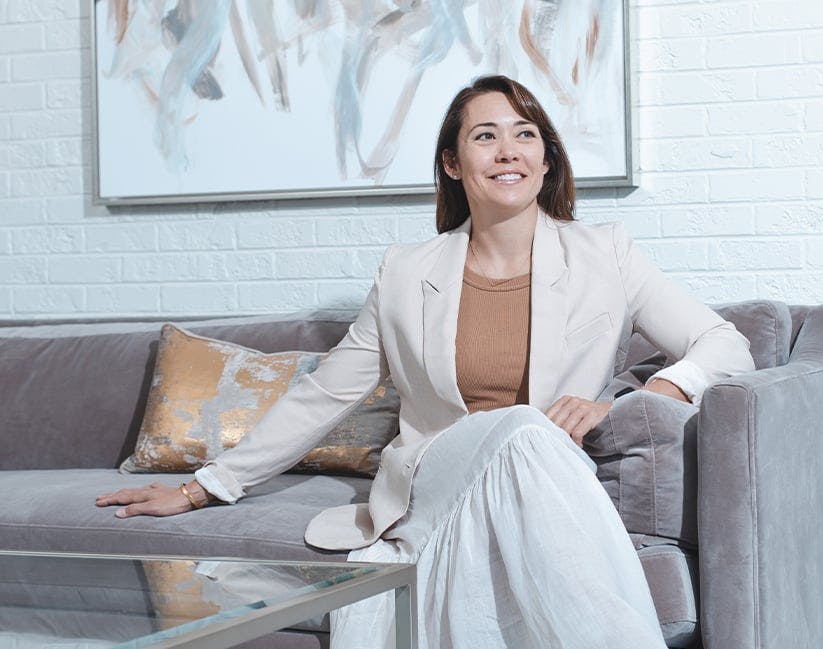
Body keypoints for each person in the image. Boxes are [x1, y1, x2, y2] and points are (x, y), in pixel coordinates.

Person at [97, 75, 755, 648]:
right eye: (486, 136)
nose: (508, 152)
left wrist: (634, 399)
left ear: (547, 160)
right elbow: (324, 395)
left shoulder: (605, 253)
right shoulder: (407, 272)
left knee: (528, 433)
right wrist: (201, 486)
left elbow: (726, 345)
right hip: (438, 476)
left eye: (526, 135)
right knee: (527, 425)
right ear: (452, 162)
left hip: (547, 473)